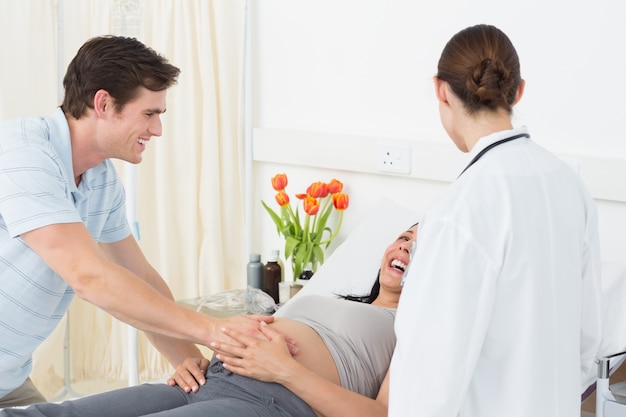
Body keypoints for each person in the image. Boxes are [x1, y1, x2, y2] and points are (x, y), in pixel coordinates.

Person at [0, 35, 276, 408]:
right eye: (150, 114)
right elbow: (89, 276)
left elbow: (139, 278)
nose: (158, 129)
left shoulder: (101, 180)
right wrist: (216, 332)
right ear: (104, 103)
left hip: (10, 377)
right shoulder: (24, 152)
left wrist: (189, 362)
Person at [389, 24, 602, 417]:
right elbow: (588, 338)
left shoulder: (459, 210)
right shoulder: (570, 186)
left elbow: (426, 381)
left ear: (440, 90)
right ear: (518, 91)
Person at [0, 224, 418, 417]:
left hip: (273, 402)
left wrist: (285, 370)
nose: (405, 249)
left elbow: (379, 416)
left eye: (420, 248)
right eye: (404, 237)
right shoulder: (332, 295)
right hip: (210, 377)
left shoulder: (413, 330)